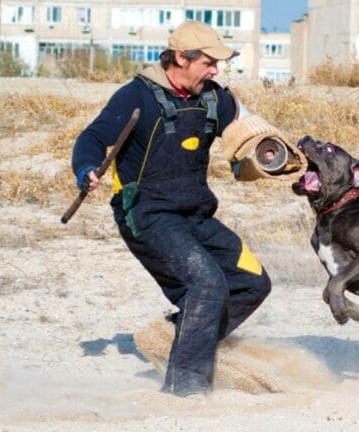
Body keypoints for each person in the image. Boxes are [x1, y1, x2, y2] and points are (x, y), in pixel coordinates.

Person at [71, 21, 272, 398]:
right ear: (181, 58)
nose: (215, 71)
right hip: (146, 215)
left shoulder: (215, 98)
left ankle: (173, 339)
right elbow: (93, 138)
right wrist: (86, 169)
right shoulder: (135, 96)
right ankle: (186, 387)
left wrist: (275, 156)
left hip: (196, 215)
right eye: (208, 63)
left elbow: (253, 131)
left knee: (253, 282)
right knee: (206, 284)